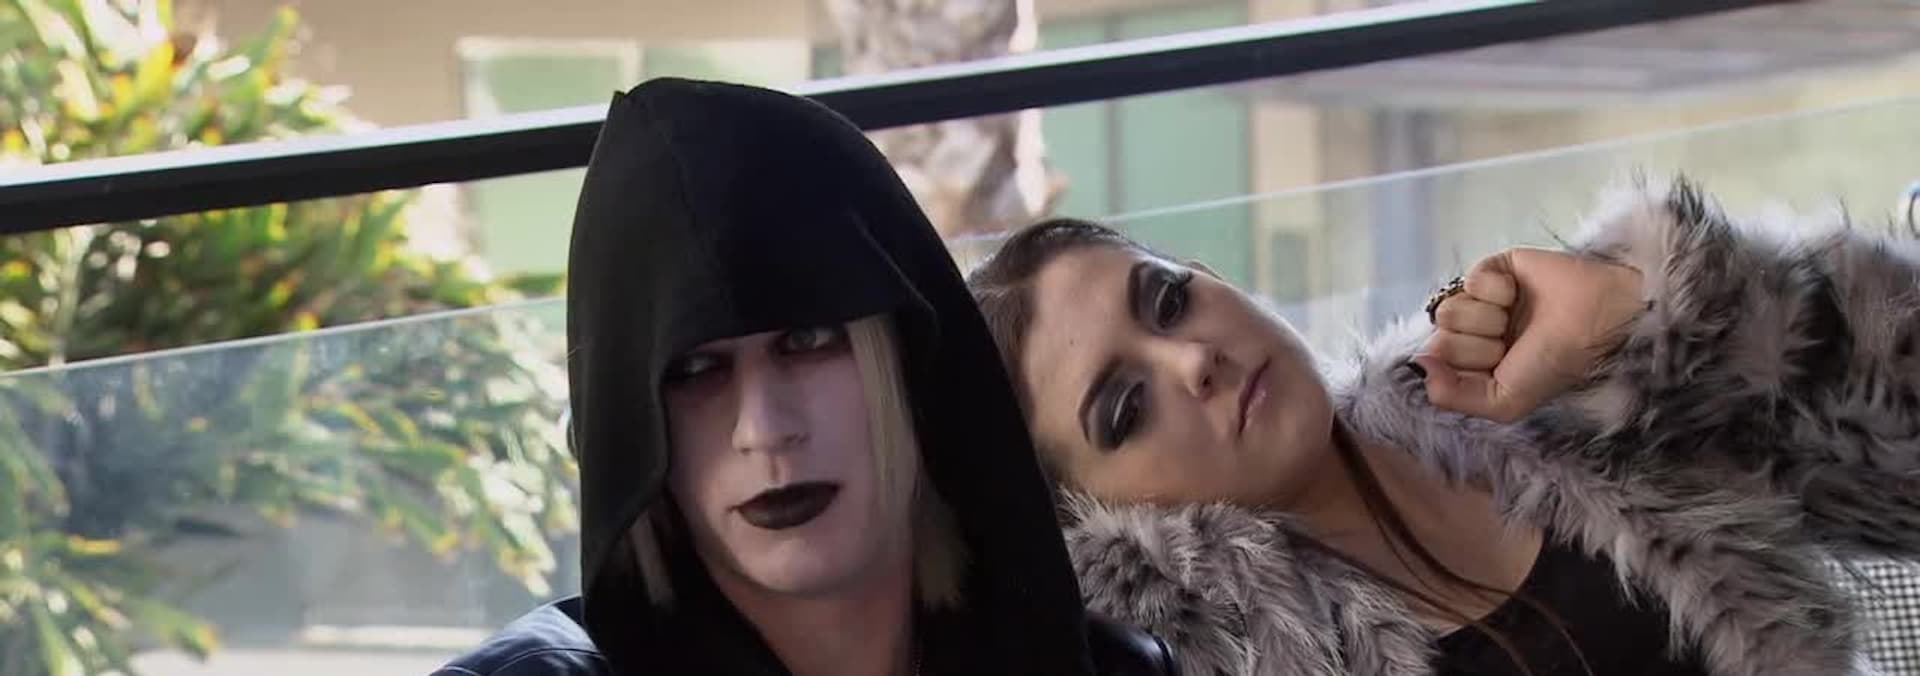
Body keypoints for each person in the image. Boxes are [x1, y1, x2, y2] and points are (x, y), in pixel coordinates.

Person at [967, 178, 1920, 676]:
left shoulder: (1520, 378)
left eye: (1169, 300)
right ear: (1094, 513)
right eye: (1126, 408)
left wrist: (1645, 318)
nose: (1192, 360)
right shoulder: (1209, 659)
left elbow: (1897, 454)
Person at [432, 78, 1178, 676]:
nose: (765, 428)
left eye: (809, 342)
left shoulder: (1110, 668)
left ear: (906, 364)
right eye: (695, 370)